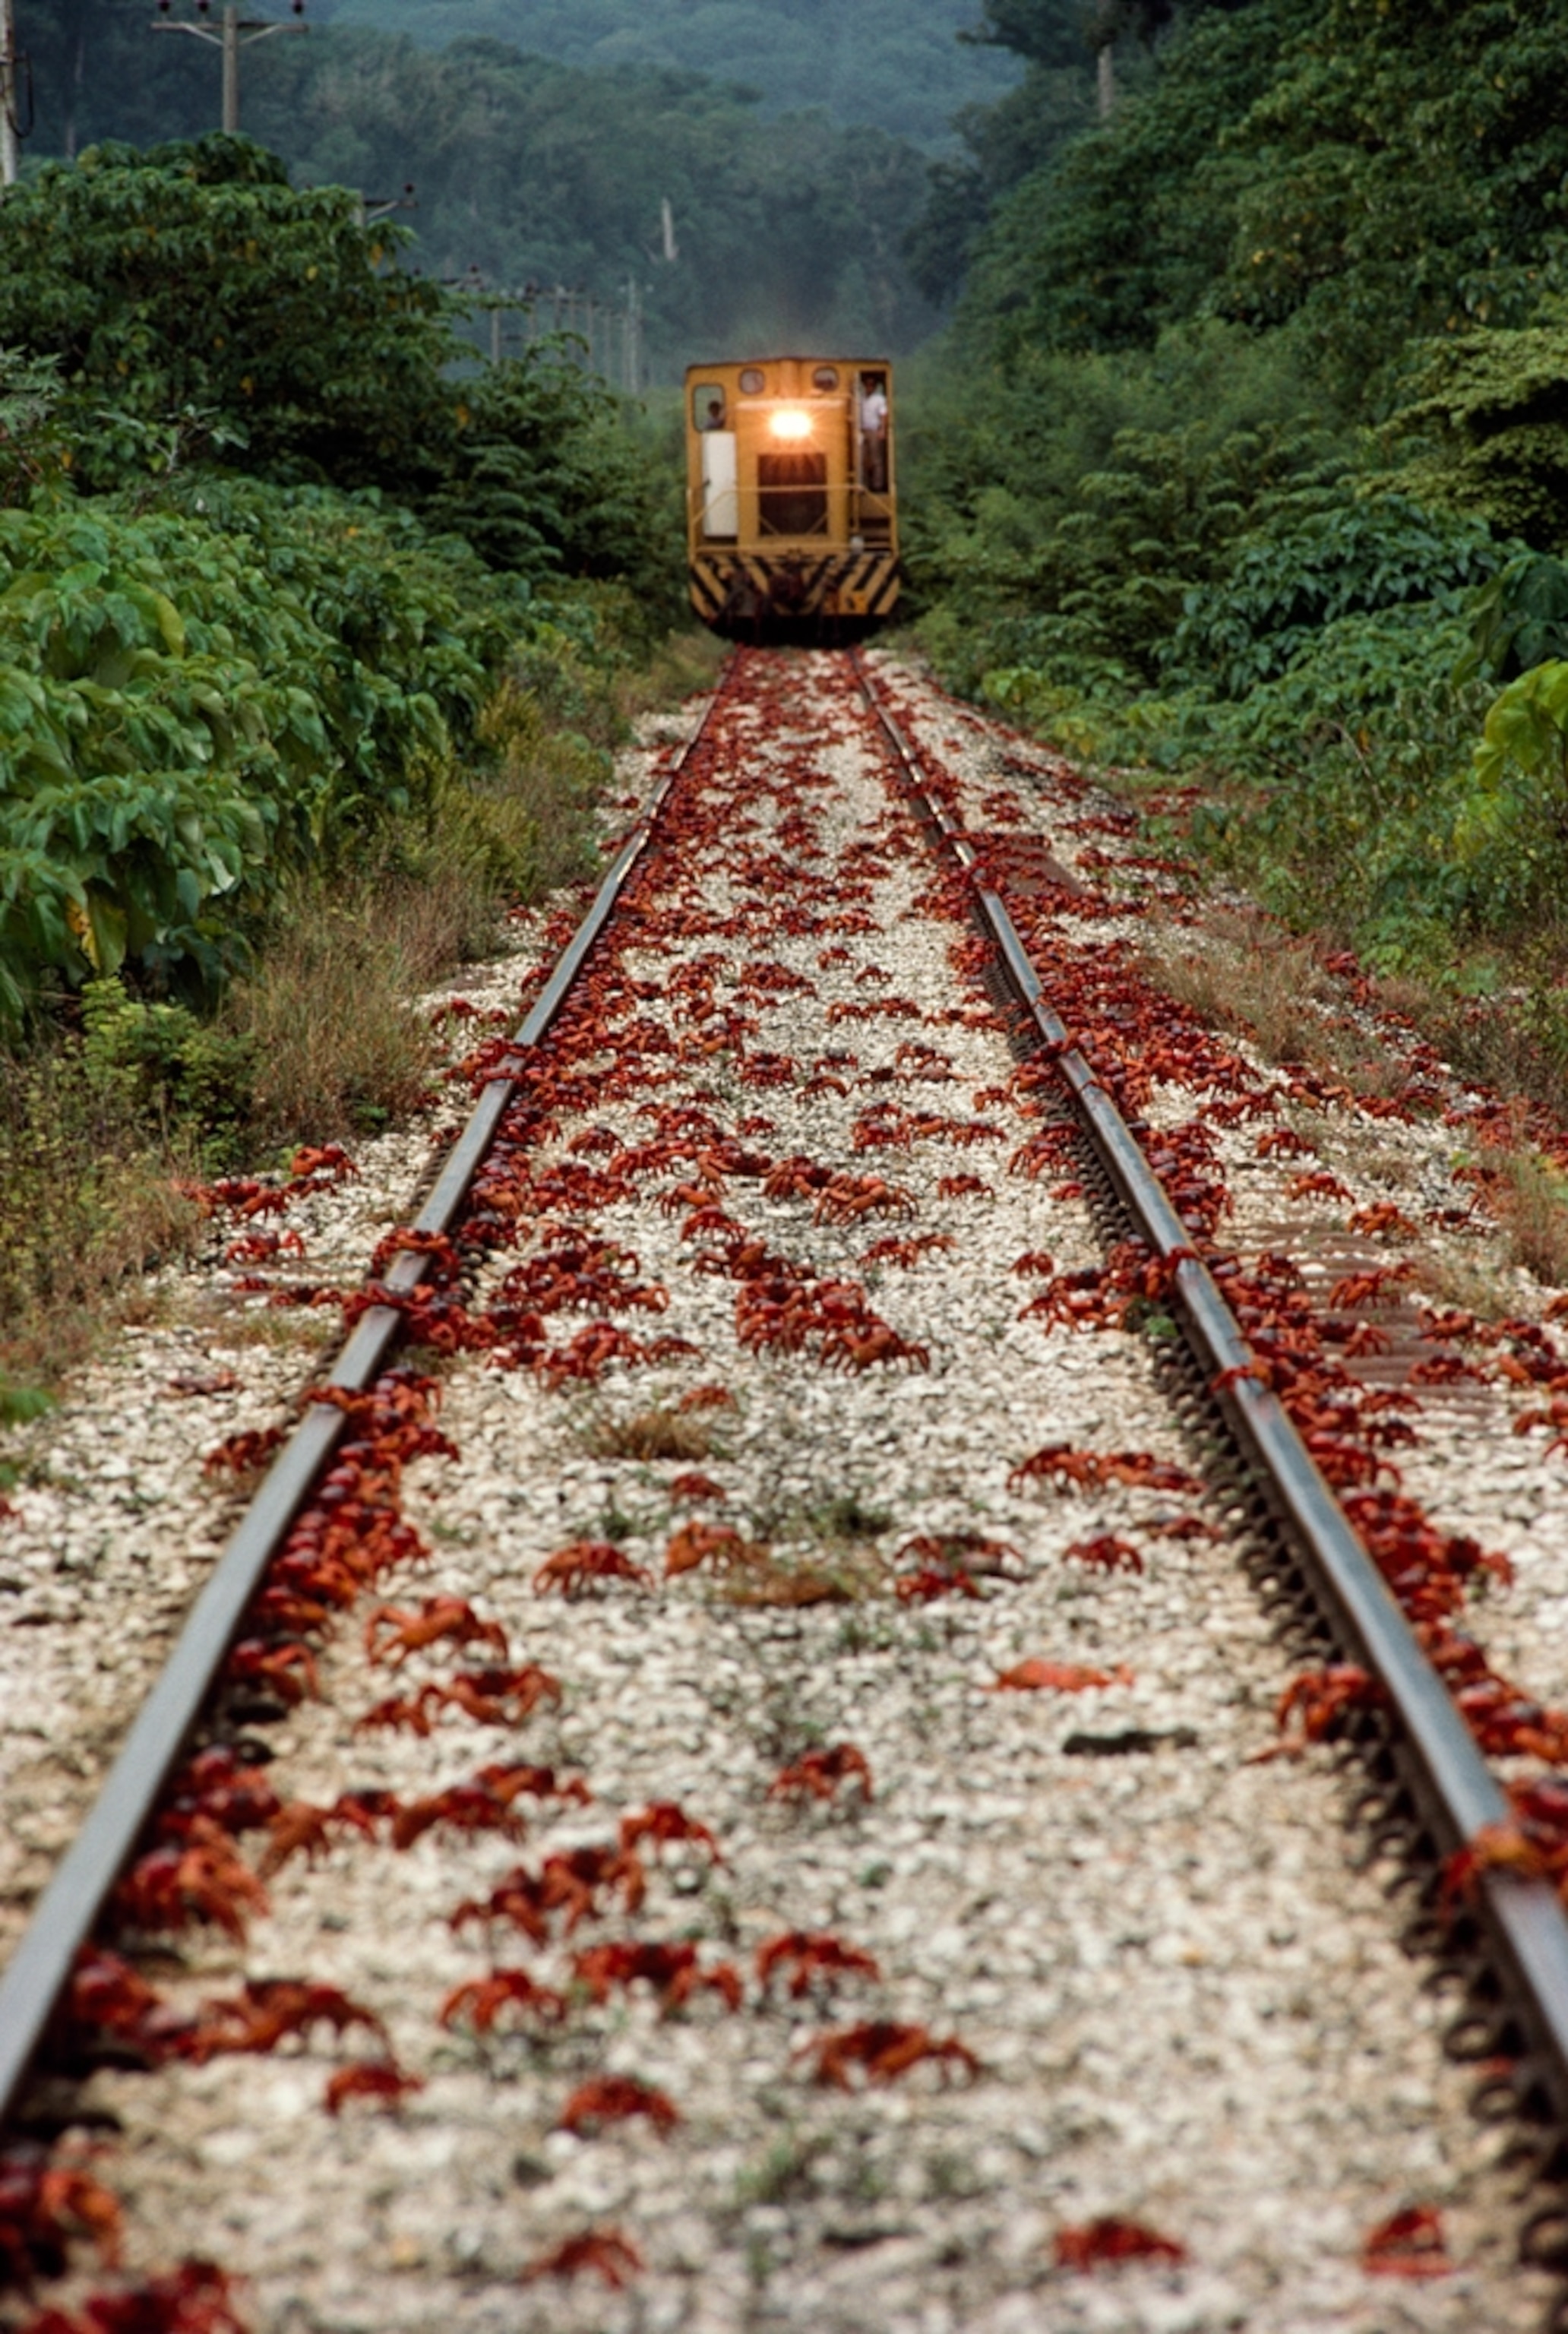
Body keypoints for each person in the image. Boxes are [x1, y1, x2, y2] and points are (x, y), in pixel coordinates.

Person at [860, 373, 889, 492]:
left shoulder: (879, 399)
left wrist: (882, 430)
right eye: (867, 384)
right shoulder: (861, 399)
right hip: (862, 431)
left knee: (876, 459)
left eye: (872, 384)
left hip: (874, 430)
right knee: (863, 459)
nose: (869, 386)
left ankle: (878, 486)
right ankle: (864, 485)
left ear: (875, 386)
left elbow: (884, 414)